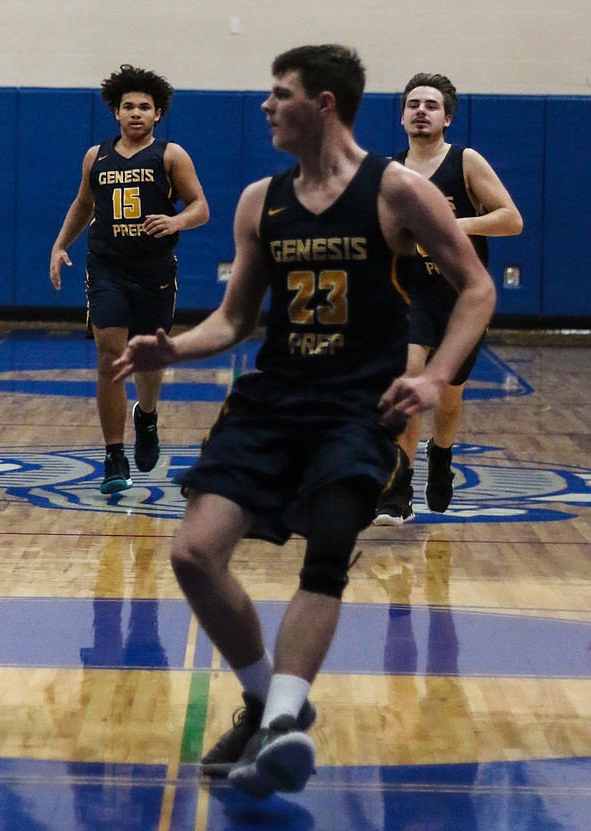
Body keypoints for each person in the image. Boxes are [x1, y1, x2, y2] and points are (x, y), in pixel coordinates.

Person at [113, 44, 495, 798]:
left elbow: (476, 288)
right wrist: (173, 346)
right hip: (273, 401)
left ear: (323, 104)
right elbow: (233, 320)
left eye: (279, 94)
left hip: (359, 407)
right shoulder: (262, 199)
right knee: (193, 553)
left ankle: (283, 721)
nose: (265, 105)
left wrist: (433, 375)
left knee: (326, 553)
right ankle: (266, 699)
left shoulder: (396, 190)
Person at [49, 65, 209, 493]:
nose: (135, 113)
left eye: (144, 107)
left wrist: (176, 222)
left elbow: (200, 208)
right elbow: (83, 204)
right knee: (110, 357)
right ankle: (114, 455)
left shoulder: (172, 156)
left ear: (157, 114)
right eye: (128, 107)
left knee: (148, 357)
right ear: (116, 113)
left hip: (154, 272)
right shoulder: (95, 157)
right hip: (106, 270)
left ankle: (148, 416)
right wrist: (60, 244)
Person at [374, 73, 523, 525]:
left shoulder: (465, 161)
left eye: (431, 105)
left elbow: (511, 219)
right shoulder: (387, 172)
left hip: (461, 300)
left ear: (447, 117)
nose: (421, 110)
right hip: (410, 295)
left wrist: (456, 226)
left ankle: (442, 457)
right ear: (401, 116)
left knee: (449, 399)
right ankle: (399, 489)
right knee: (409, 377)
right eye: (413, 103)